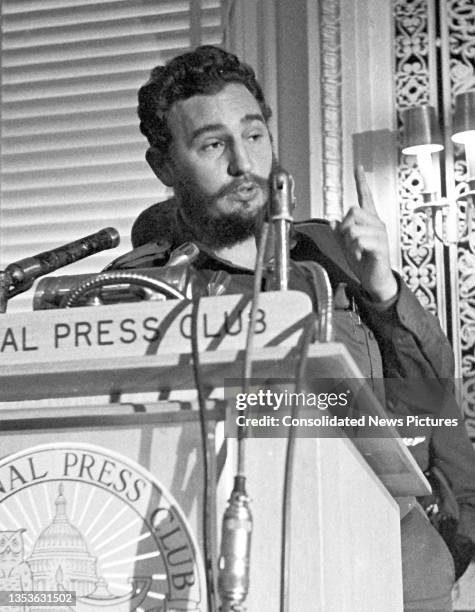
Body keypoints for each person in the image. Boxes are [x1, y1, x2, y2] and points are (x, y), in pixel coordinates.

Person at [118, 45, 475, 610]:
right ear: (164, 166)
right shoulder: (141, 291)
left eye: (255, 135)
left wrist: (383, 293)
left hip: (389, 565)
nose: (244, 163)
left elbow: (432, 412)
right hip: (229, 569)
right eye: (213, 144)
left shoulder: (332, 254)